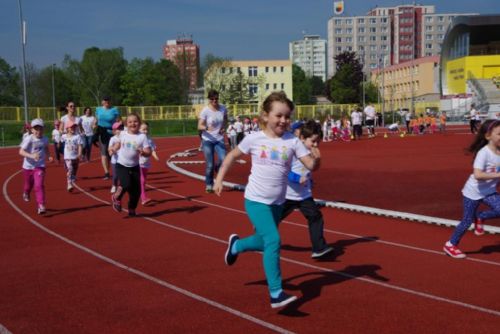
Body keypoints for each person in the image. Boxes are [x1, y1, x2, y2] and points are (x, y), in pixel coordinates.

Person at [214, 92, 321, 309]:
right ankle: (276, 293)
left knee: (262, 241)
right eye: (278, 115)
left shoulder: (292, 141)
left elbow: (310, 166)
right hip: (255, 200)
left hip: (277, 203)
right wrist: (219, 179)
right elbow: (232, 156)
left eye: (287, 117)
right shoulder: (254, 138)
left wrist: (317, 159)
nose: (283, 120)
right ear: (266, 115)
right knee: (273, 240)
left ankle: (237, 246)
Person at [443, 120, 500, 259]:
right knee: (467, 221)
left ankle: (480, 217)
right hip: (472, 192)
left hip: (489, 192)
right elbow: (478, 174)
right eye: (499, 134)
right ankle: (450, 245)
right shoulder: (483, 153)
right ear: (488, 136)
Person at [281, 120, 333, 258]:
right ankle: (261, 236)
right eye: (313, 141)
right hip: (287, 195)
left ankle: (319, 248)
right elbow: (284, 171)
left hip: (304, 195)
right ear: (303, 138)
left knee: (316, 217)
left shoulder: (310, 152)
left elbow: (309, 169)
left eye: (318, 142)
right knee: (274, 218)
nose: (315, 145)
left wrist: (310, 179)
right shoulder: (292, 152)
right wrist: (297, 178)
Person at [110, 113, 151, 217]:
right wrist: (114, 149)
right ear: (126, 124)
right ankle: (117, 197)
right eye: (130, 122)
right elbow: (118, 144)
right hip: (122, 165)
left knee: (136, 192)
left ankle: (131, 208)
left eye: (135, 121)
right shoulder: (123, 134)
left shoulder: (142, 137)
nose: (133, 124)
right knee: (126, 183)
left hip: (135, 166)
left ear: (139, 123)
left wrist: (143, 152)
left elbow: (148, 151)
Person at [19, 118, 53, 214]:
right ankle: (26, 192)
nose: (38, 131)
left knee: (38, 185)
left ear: (43, 129)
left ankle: (41, 205)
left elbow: (46, 148)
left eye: (40, 129)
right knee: (28, 185)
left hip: (40, 166)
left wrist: (49, 156)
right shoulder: (29, 138)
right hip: (28, 166)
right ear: (32, 130)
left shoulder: (45, 139)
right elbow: (21, 151)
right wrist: (31, 155)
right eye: (36, 129)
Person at [198, 90, 227, 193]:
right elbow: (199, 125)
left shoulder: (223, 108)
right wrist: (206, 128)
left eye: (216, 99)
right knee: (209, 165)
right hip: (208, 140)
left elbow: (225, 120)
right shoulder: (205, 110)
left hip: (219, 139)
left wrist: (223, 127)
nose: (215, 101)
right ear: (209, 99)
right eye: (212, 99)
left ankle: (217, 167)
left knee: (224, 160)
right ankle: (209, 184)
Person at [95, 96, 121, 180]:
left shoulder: (114, 110)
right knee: (104, 152)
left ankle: (115, 168)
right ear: (102, 101)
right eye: (105, 100)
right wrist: (94, 126)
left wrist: (119, 128)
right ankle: (106, 172)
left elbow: (119, 120)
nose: (107, 101)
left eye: (108, 100)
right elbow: (96, 120)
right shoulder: (98, 109)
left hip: (112, 132)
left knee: (113, 151)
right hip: (102, 131)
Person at [139, 122, 159, 206]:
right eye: (143, 129)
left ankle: (141, 195)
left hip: (146, 163)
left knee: (143, 181)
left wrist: (155, 156)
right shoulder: (137, 138)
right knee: (142, 180)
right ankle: (143, 198)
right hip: (138, 163)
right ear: (139, 129)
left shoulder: (149, 139)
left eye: (147, 129)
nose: (145, 131)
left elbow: (152, 150)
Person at [61, 121, 83, 192]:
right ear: (67, 128)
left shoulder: (77, 136)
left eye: (74, 127)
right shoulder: (64, 137)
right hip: (68, 157)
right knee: (70, 169)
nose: (73, 128)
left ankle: (73, 177)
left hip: (75, 156)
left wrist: (79, 154)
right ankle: (69, 184)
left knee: (75, 168)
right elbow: (60, 143)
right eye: (71, 127)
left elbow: (80, 146)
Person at [108, 121, 123, 194]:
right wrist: (112, 151)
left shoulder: (124, 137)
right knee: (116, 175)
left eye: (121, 128)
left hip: (122, 160)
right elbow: (109, 148)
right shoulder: (113, 139)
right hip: (115, 160)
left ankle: (120, 187)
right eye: (118, 129)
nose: (120, 130)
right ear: (114, 131)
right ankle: (114, 185)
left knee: (122, 175)